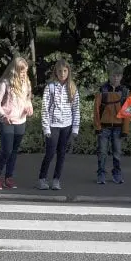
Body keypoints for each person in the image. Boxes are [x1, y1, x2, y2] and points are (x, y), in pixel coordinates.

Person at [0, 55, 34, 190]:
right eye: (21, 71)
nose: (24, 74)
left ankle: (9, 177)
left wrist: (29, 107)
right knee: (6, 150)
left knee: (14, 151)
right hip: (6, 121)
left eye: (25, 71)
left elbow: (27, 98)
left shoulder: (26, 82)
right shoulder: (5, 83)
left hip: (21, 120)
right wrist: (2, 116)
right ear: (14, 70)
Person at [38, 59, 80, 191]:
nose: (62, 73)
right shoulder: (50, 87)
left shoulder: (72, 87)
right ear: (55, 72)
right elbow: (44, 108)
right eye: (60, 71)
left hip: (66, 126)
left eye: (65, 71)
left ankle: (56, 180)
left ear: (68, 72)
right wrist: (46, 128)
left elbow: (76, 109)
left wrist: (75, 128)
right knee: (50, 153)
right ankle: (42, 178)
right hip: (53, 125)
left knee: (61, 154)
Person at [93, 64, 131, 185]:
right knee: (102, 152)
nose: (116, 78)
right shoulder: (102, 90)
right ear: (109, 76)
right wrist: (97, 127)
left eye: (118, 75)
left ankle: (117, 173)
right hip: (104, 127)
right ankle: (101, 174)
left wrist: (125, 129)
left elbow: (127, 112)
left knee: (117, 152)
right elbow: (96, 110)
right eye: (113, 75)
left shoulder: (124, 92)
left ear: (121, 77)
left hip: (118, 128)